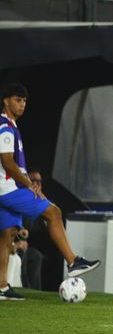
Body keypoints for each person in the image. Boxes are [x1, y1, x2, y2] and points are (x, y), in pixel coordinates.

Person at [0, 83, 100, 300]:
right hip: (8, 188)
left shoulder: (9, 126)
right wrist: (28, 184)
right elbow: (7, 162)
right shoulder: (5, 127)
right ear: (6, 100)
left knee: (7, 234)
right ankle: (73, 262)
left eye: (25, 101)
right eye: (18, 99)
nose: (22, 104)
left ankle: (2, 287)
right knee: (53, 212)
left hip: (4, 188)